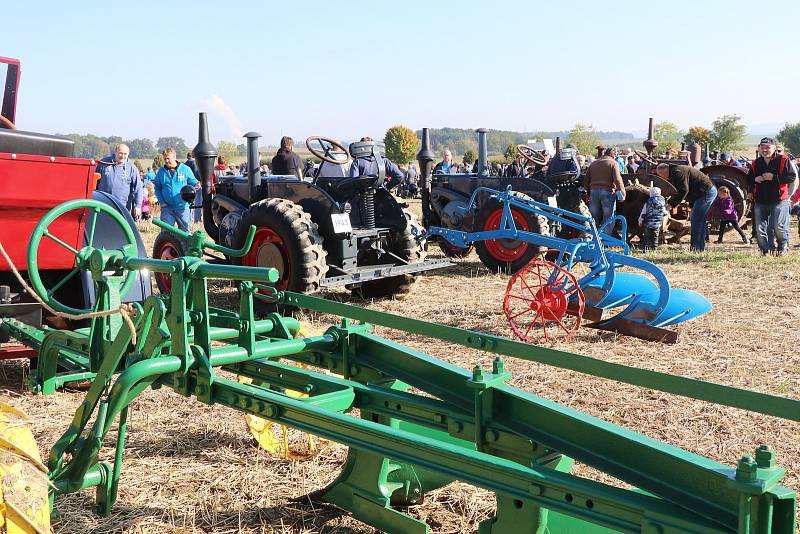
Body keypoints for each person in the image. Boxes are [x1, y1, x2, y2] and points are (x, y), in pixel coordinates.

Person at [746, 137, 796, 256]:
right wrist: (752, 185)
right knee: (759, 228)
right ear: (759, 148)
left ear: (774, 148)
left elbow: (791, 177)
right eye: (762, 147)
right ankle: (765, 250)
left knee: (778, 226)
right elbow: (749, 179)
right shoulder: (756, 163)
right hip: (760, 199)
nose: (764, 150)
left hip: (779, 199)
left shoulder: (784, 160)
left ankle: (782, 246)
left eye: (767, 147)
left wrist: (774, 177)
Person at [654, 162, 716, 252]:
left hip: (706, 192)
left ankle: (696, 248)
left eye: (661, 175)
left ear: (665, 170)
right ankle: (699, 247)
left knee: (696, 220)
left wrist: (671, 204)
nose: (662, 178)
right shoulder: (675, 171)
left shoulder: (677, 172)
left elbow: (683, 190)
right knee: (699, 220)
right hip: (704, 192)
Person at [153, 147, 198, 232]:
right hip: (167, 208)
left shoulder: (185, 169)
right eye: (165, 159)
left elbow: (192, 180)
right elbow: (157, 188)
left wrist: (196, 184)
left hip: (182, 208)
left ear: (174, 157)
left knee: (184, 233)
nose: (166, 161)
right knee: (166, 232)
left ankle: (184, 246)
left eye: (168, 158)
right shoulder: (161, 172)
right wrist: (162, 202)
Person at [95, 143, 143, 218]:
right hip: (103, 204)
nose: (123, 156)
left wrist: (138, 206)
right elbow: (94, 180)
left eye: (125, 154)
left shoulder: (132, 168)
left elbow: (138, 188)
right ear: (115, 152)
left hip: (122, 207)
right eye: (120, 153)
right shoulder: (104, 163)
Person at [584, 147, 626, 229]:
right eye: (615, 154)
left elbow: (586, 180)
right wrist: (623, 193)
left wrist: (589, 193)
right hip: (607, 192)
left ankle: (592, 237)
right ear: (612, 154)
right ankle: (606, 239)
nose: (615, 156)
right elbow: (617, 179)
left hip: (594, 192)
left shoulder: (593, 163)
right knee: (608, 218)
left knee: (593, 218)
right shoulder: (613, 163)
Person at [638, 186, 666, 251]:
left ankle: (645, 249)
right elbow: (664, 212)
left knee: (647, 236)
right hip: (657, 224)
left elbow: (643, 212)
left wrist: (640, 221)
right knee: (655, 236)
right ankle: (654, 249)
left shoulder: (648, 202)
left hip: (648, 223)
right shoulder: (662, 202)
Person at [184, 152, 202, 224]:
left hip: (187, 186)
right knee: (198, 202)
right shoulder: (196, 163)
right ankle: (197, 220)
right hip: (196, 183)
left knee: (189, 202)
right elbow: (198, 174)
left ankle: (189, 219)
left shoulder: (184, 164)